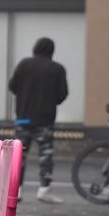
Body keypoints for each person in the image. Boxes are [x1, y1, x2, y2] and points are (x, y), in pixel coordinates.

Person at [9, 37, 68, 204]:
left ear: (35, 48)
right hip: (45, 119)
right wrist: (49, 101)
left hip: (24, 118)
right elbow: (62, 94)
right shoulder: (57, 69)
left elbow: (12, 86)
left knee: (20, 155)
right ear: (52, 50)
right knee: (45, 155)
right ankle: (44, 190)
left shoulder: (24, 64)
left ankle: (16, 190)